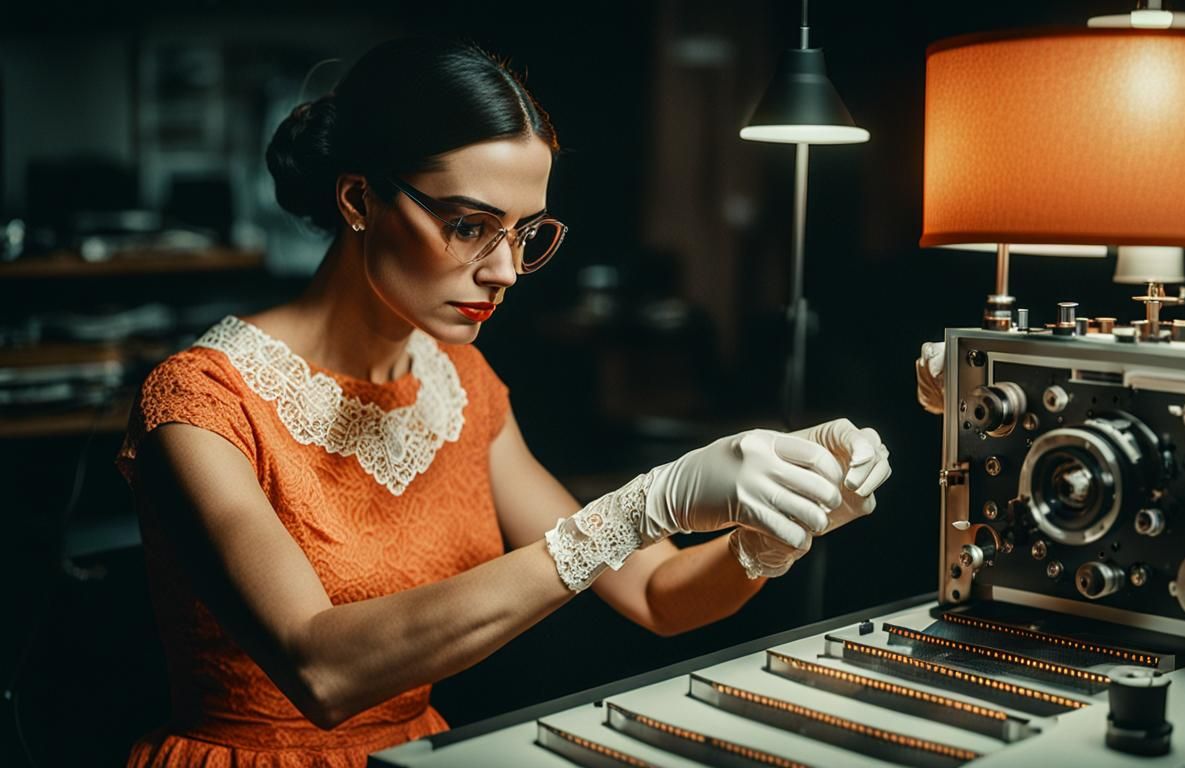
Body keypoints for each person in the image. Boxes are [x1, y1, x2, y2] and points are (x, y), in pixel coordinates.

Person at [114, 37, 892, 768]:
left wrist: (770, 533)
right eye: (469, 227)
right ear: (358, 199)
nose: (507, 271)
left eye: (525, 233)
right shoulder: (201, 402)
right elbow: (321, 669)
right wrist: (638, 507)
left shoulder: (461, 385)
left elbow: (657, 596)